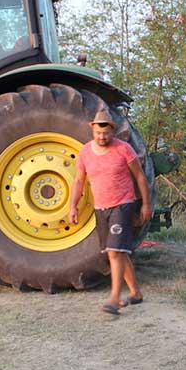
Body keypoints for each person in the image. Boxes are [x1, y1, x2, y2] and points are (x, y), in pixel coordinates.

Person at [69, 107, 153, 315]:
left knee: (115, 252)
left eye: (106, 133)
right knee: (116, 253)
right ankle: (135, 293)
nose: (102, 137)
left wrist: (146, 204)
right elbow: (79, 180)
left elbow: (140, 177)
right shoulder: (85, 152)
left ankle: (114, 299)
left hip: (123, 205)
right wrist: (73, 206)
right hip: (101, 208)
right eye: (98, 133)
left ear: (112, 131)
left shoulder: (123, 149)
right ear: (93, 130)